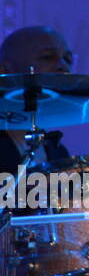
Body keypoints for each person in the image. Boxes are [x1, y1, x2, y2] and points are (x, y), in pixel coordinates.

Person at [0, 26, 75, 174]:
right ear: (4, 71)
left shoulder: (58, 153)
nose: (63, 66)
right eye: (48, 57)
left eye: (67, 59)